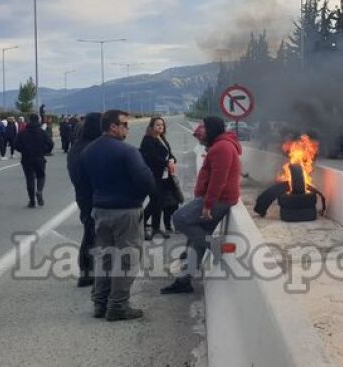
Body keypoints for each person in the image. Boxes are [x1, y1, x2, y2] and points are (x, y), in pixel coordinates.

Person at [80, 109, 154, 321]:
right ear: (112, 126)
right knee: (127, 260)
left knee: (104, 258)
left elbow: (84, 184)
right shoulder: (127, 152)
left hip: (100, 210)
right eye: (124, 124)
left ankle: (100, 303)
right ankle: (118, 306)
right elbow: (147, 182)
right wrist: (136, 197)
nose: (127, 128)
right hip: (126, 211)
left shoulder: (89, 151)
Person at [162, 116, 241, 295]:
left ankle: (214, 247)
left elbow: (218, 179)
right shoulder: (219, 145)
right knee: (195, 240)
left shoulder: (222, 147)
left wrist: (207, 205)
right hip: (216, 198)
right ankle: (184, 280)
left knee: (180, 218)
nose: (201, 129)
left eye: (204, 127)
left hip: (218, 199)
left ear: (212, 128)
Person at [66, 112, 102, 288]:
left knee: (90, 232)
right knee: (92, 234)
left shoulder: (77, 147)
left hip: (82, 195)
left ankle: (87, 271)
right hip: (92, 195)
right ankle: (87, 271)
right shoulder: (91, 148)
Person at [139, 117, 178, 240]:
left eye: (162, 125)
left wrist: (173, 159)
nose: (160, 127)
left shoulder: (162, 138)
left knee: (159, 202)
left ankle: (156, 228)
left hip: (164, 176)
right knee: (154, 201)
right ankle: (141, 224)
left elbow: (168, 153)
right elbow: (152, 158)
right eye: (157, 125)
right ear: (151, 127)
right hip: (152, 175)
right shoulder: (147, 140)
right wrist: (167, 163)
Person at [15, 113, 54, 208]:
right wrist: (44, 151)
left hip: (26, 158)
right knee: (41, 176)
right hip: (39, 157)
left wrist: (23, 150)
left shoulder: (23, 132)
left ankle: (32, 201)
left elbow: (16, 144)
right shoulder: (42, 132)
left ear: (29, 120)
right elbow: (50, 143)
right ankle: (39, 191)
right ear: (38, 120)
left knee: (30, 179)